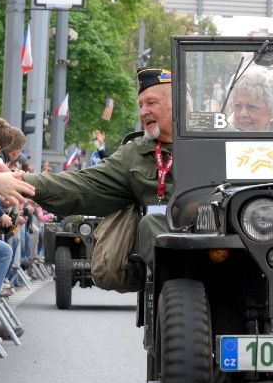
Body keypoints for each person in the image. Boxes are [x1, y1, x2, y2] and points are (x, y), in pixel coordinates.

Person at [25, 68, 175, 267]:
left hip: (211, 240)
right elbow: (82, 185)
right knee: (151, 223)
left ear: (177, 104)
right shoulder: (134, 154)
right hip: (167, 264)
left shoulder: (212, 144)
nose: (143, 112)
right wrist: (21, 181)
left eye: (151, 103)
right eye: (141, 105)